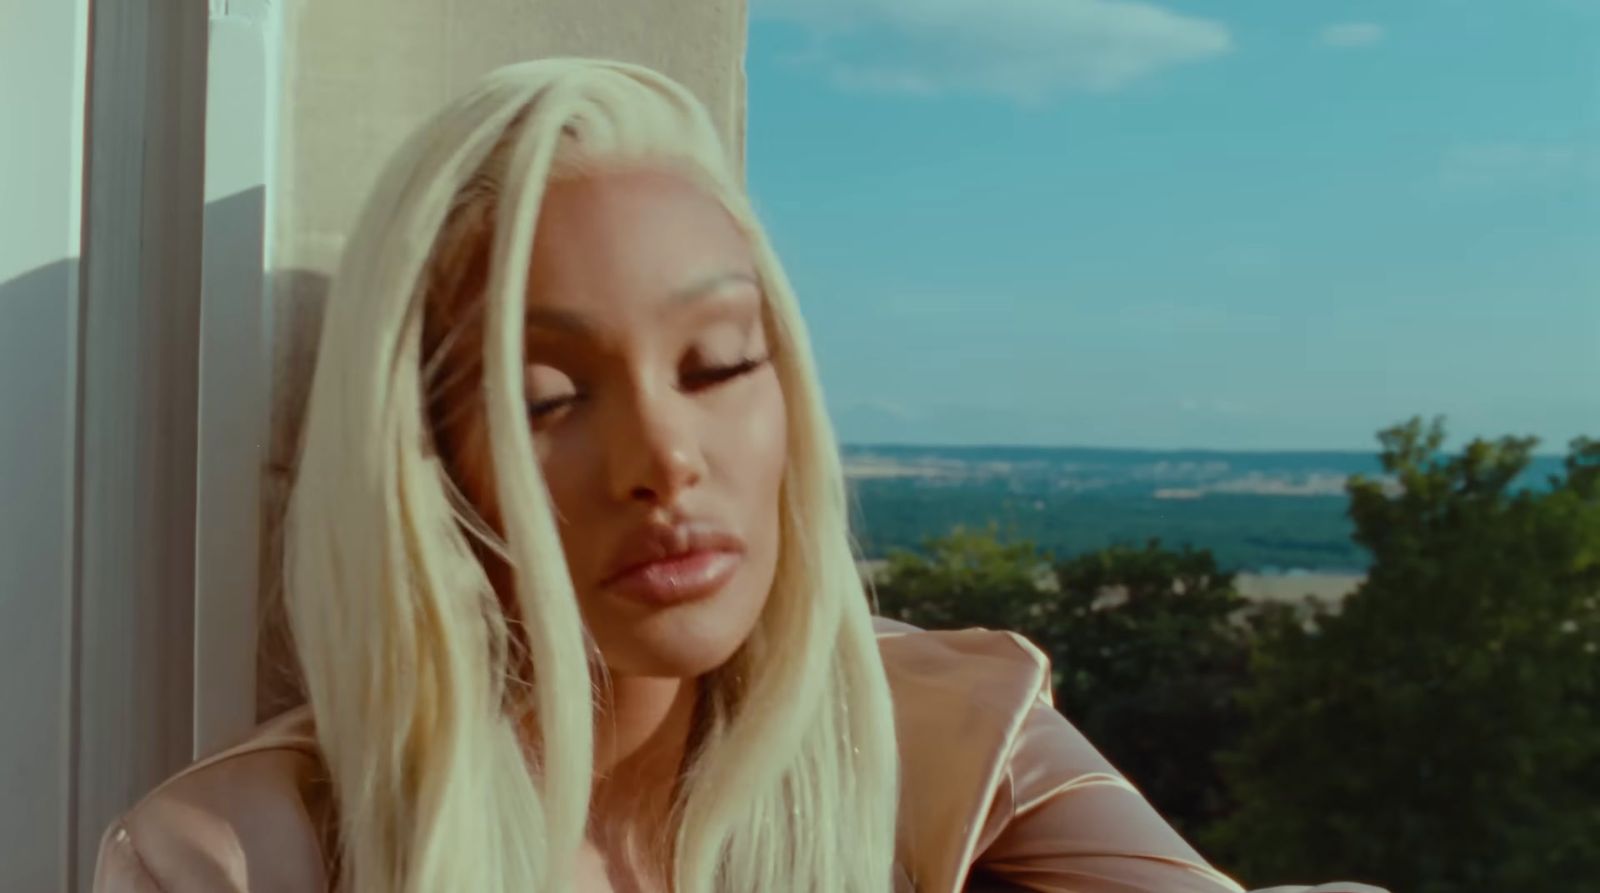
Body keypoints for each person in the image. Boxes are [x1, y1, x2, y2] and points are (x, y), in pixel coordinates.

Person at [93, 59, 1385, 893]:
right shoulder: (234, 856)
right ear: (427, 468)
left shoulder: (938, 730)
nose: (665, 458)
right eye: (548, 399)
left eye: (716, 364)